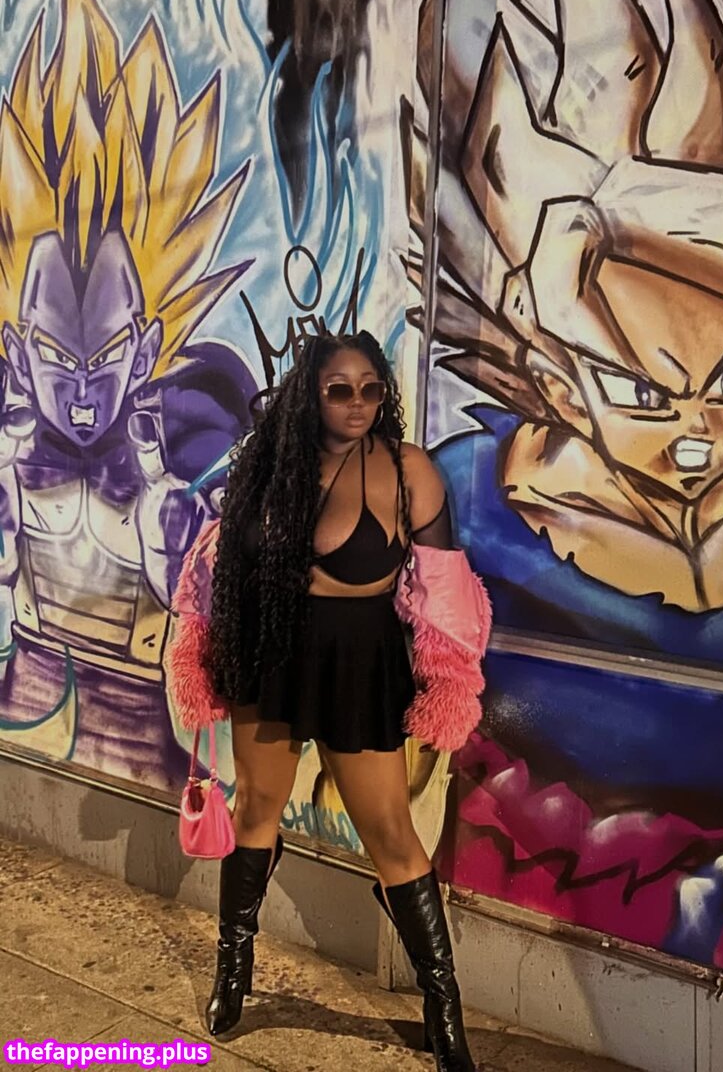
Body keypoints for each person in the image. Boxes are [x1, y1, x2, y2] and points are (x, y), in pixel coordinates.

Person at [169, 331, 489, 1071]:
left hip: (360, 660)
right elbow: (221, 563)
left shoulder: (408, 471)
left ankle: (443, 1006)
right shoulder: (268, 463)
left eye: (371, 389)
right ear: (309, 394)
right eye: (339, 390)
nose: (357, 404)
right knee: (256, 808)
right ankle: (233, 969)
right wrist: (201, 650)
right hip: (271, 653)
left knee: (390, 832)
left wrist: (447, 683)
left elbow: (444, 590)